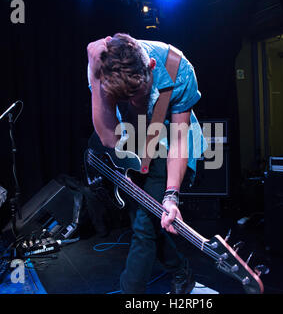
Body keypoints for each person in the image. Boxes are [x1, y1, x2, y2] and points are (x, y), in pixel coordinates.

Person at [86, 34, 205, 294]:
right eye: (123, 98)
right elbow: (108, 137)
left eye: (137, 94)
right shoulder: (101, 66)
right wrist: (96, 80)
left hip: (168, 144)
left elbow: (179, 140)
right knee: (150, 220)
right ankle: (182, 270)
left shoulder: (178, 69)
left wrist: (172, 195)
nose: (133, 103)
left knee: (143, 226)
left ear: (151, 66)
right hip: (131, 146)